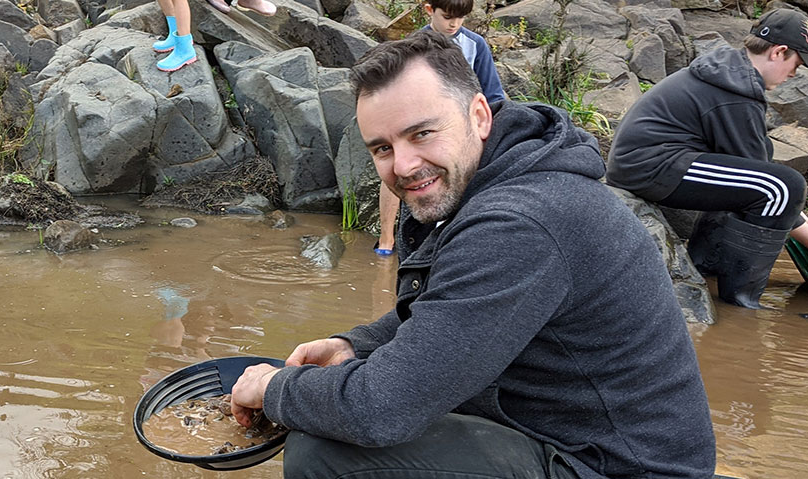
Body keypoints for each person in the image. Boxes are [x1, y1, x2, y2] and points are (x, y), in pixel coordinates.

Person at [231, 30, 716, 479]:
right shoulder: (471, 183)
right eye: (381, 147)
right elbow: (449, 312)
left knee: (326, 454)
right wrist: (357, 345)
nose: (403, 165)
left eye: (422, 133)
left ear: (479, 116)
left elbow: (381, 410)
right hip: (564, 429)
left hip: (622, 466)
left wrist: (274, 389)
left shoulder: (520, 223)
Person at [607, 8, 808, 309]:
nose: (793, 75)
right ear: (778, 52)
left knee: (773, 188)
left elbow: (753, 168)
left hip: (649, 163)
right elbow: (775, 190)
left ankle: (705, 267)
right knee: (786, 187)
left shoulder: (729, 74)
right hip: (650, 167)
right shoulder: (735, 93)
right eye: (796, 65)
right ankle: (741, 304)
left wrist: (798, 217)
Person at [374, 0, 504, 255]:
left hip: (460, 125)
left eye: (460, 17)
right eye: (447, 17)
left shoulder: (475, 45)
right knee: (397, 169)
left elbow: (493, 94)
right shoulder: (412, 46)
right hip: (417, 122)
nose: (454, 24)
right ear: (429, 10)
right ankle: (386, 238)